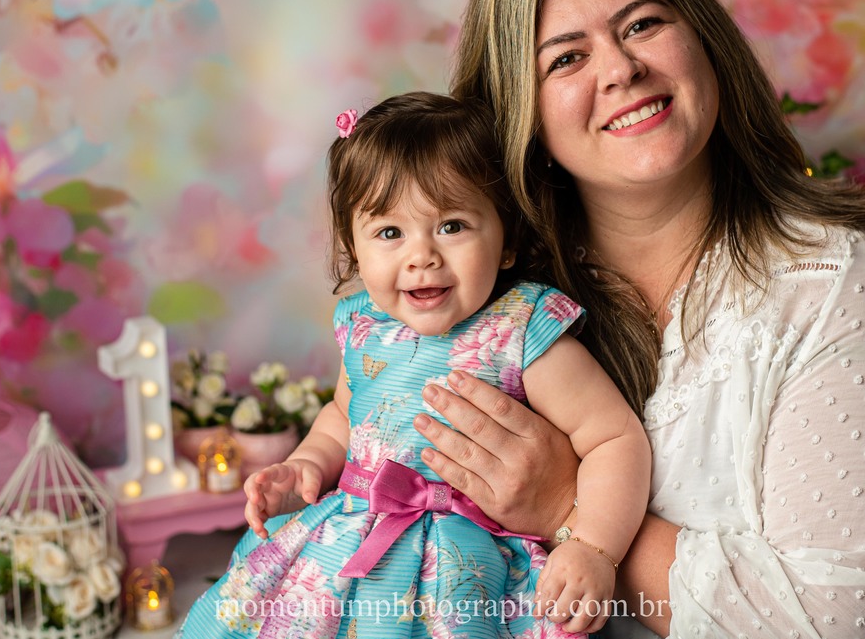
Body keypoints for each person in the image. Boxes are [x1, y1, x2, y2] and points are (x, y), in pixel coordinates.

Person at [408, 0, 865, 638]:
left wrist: (565, 506)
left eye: (643, 24)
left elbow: (843, 624)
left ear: (702, 39)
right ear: (523, 116)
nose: (621, 68)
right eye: (567, 57)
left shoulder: (831, 275)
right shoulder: (490, 299)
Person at [176, 91, 652, 639]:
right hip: (346, 543)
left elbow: (614, 438)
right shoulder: (362, 326)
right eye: (389, 233)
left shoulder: (520, 330)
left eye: (451, 225)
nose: (421, 254)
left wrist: (593, 546)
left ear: (506, 241)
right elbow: (342, 415)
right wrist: (307, 465)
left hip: (462, 565)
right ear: (354, 249)